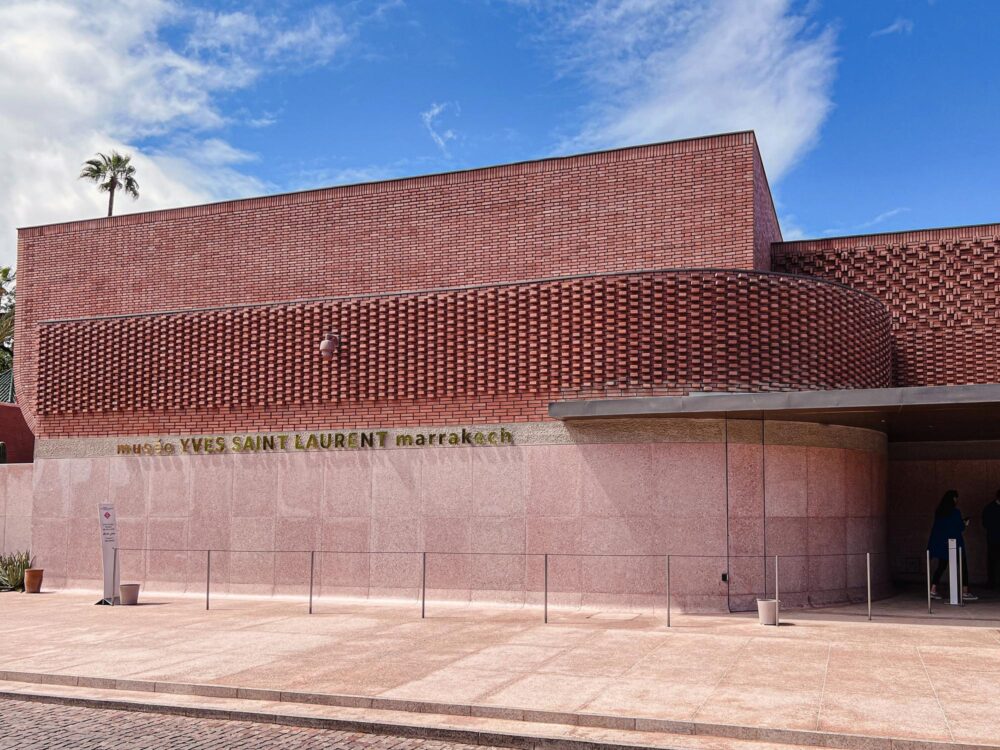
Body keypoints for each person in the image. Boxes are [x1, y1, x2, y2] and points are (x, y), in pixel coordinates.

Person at [928, 490, 978, 601]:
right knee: (963, 566)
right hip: (956, 543)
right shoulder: (955, 512)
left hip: (943, 544)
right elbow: (959, 527)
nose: (957, 500)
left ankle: (933, 589)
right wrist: (965, 523)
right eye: (956, 498)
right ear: (953, 499)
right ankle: (965, 591)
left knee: (941, 566)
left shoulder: (939, 512)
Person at [983, 489, 1000, 589]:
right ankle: (992, 582)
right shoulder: (990, 508)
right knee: (992, 561)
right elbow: (986, 523)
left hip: (993, 537)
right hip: (993, 538)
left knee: (992, 561)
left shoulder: (989, 507)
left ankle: (992, 582)